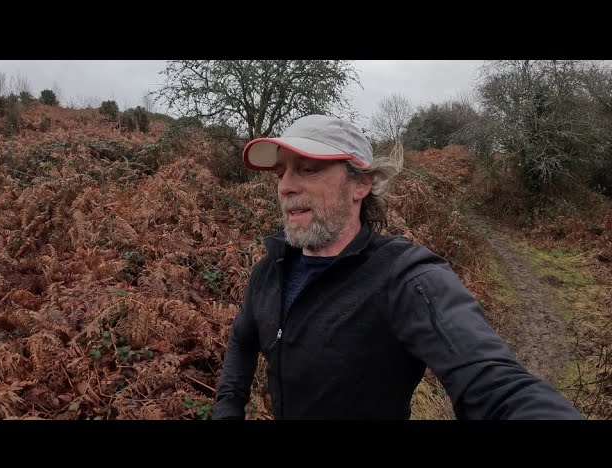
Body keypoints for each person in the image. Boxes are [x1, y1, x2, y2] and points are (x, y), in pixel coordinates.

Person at [211, 114, 583, 420]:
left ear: (361, 184)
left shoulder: (406, 278)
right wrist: (228, 409)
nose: (285, 187)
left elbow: (494, 384)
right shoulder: (270, 268)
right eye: (280, 173)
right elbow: (242, 340)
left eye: (307, 169)